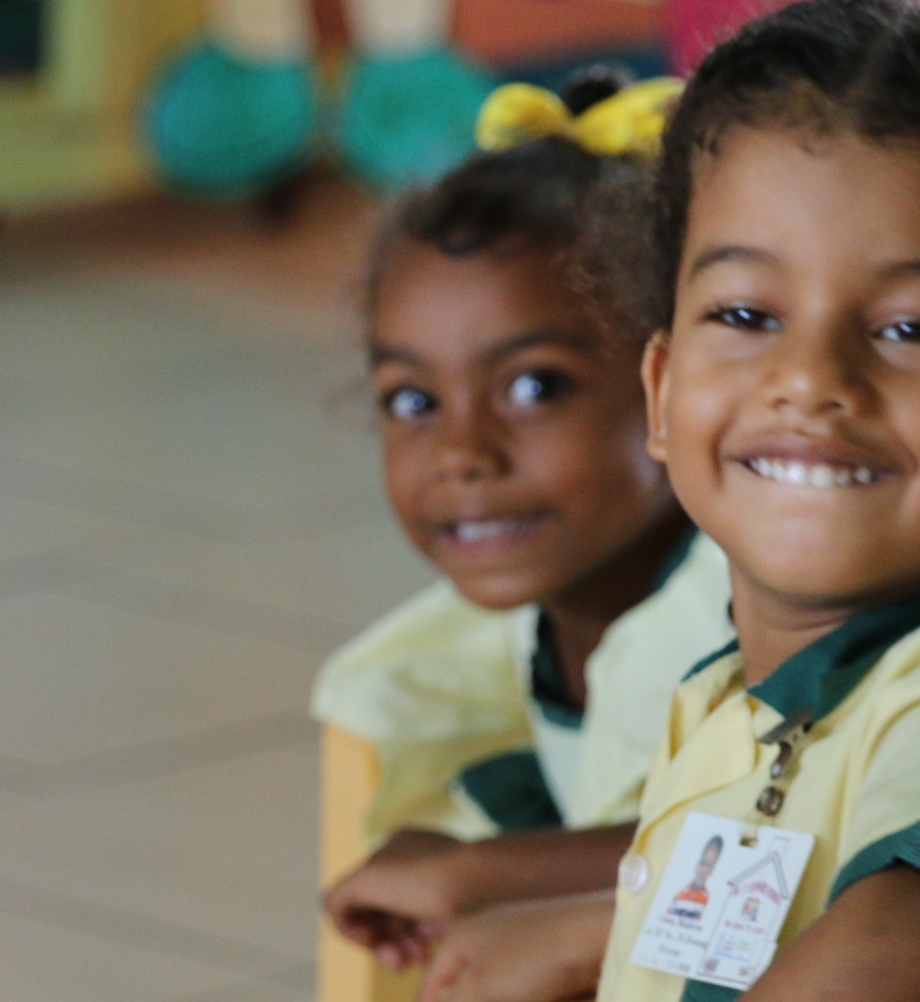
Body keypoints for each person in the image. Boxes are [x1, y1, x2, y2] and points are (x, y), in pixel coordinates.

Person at [414, 0, 920, 1002]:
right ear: (662, 386)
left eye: (913, 328)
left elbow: (889, 957)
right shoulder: (752, 693)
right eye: (745, 312)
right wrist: (599, 933)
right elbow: (769, 906)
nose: (811, 377)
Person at [312, 69, 738, 972]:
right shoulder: (509, 624)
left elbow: (795, 855)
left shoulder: (746, 616)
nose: (463, 451)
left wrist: (486, 873)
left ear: (676, 384)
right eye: (413, 399)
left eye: (533, 387)